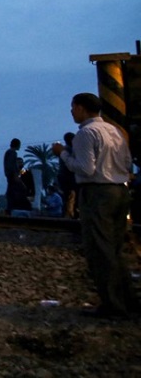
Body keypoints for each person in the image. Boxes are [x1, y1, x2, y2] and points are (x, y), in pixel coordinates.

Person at [52, 92, 137, 318]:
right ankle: (129, 300)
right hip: (120, 190)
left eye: (73, 107)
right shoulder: (114, 131)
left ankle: (113, 305)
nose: (71, 111)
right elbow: (128, 163)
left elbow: (85, 168)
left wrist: (63, 155)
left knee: (100, 249)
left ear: (81, 108)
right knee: (115, 249)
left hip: (97, 192)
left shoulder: (86, 134)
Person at [57, 131, 78, 218]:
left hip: (64, 179)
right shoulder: (70, 151)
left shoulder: (64, 150)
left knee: (67, 198)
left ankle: (68, 215)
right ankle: (69, 216)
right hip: (70, 179)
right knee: (71, 199)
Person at [2, 138, 22, 215]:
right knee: (12, 192)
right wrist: (14, 175)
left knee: (11, 192)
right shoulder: (12, 153)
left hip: (10, 175)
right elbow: (11, 166)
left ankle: (9, 209)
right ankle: (10, 209)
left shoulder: (9, 152)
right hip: (12, 176)